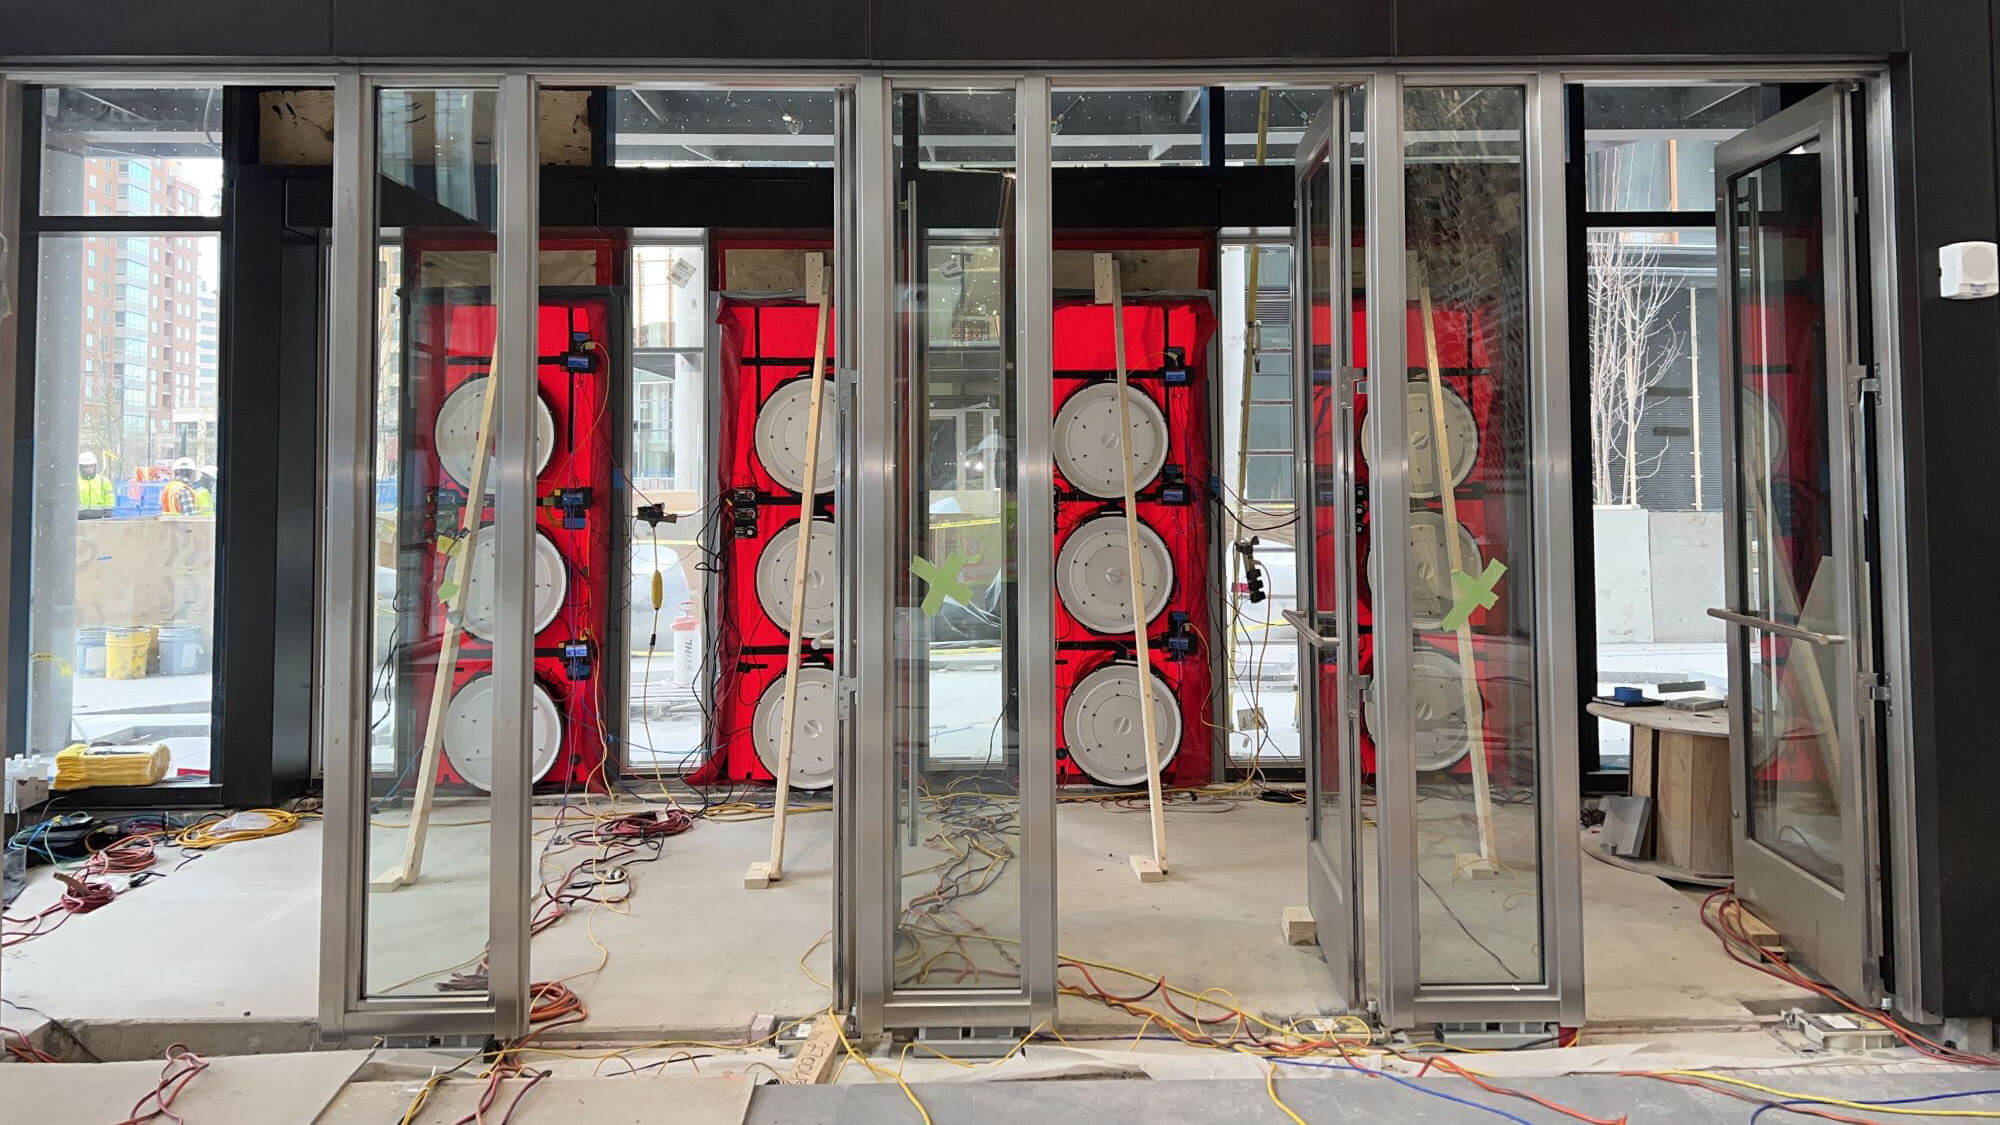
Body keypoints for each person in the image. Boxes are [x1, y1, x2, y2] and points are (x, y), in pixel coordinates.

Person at [76, 451, 114, 517]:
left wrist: (108, 510)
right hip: (79, 517)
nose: (89, 468)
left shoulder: (103, 481)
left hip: (99, 517)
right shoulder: (75, 482)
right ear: (81, 467)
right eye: (86, 466)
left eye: (91, 466)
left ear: (95, 466)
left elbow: (109, 498)